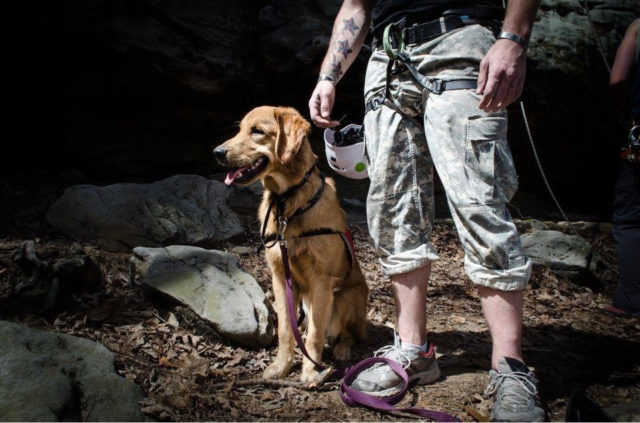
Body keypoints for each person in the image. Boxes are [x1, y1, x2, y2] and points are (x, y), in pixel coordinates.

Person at [308, 0, 545, 421]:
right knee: (393, 209)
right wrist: (329, 76)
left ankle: (510, 368)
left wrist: (512, 39)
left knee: (480, 203)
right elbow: (356, 5)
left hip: (460, 41)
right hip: (386, 62)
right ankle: (413, 351)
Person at [607, 17, 640, 317]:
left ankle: (630, 300)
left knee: (630, 220)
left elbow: (618, 79)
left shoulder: (637, 26)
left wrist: (629, 113)